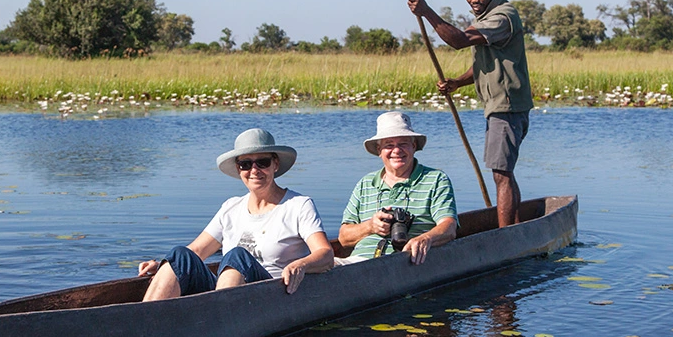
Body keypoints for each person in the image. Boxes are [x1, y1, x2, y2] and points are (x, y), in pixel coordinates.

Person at [139, 128, 333, 301]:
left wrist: (302, 264)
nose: (254, 171)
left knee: (237, 256)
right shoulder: (231, 207)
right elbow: (196, 252)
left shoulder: (298, 205)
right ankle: (144, 322)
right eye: (246, 164)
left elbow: (325, 255)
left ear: (275, 164)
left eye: (262, 162)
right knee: (180, 255)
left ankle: (215, 320)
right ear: (239, 169)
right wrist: (165, 266)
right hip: (227, 292)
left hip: (271, 296)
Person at [408, 0, 533, 227]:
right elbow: (483, 66)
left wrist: (427, 12)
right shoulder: (486, 16)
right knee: (504, 172)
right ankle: (518, 228)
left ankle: (506, 236)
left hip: (506, 107)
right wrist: (457, 83)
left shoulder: (502, 16)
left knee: (501, 174)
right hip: (500, 107)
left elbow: (460, 41)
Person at [336, 111, 457, 264]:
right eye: (389, 145)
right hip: (358, 262)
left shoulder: (436, 179)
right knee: (314, 270)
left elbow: (449, 227)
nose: (396, 150)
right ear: (379, 151)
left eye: (403, 144)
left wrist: (425, 239)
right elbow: (344, 238)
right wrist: (371, 226)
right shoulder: (365, 183)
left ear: (413, 146)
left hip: (407, 262)